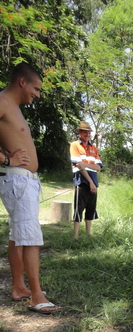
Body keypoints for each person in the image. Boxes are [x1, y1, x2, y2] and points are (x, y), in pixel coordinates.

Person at [0, 62, 62, 314]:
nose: (37, 94)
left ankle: (19, 287)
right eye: (36, 88)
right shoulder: (3, 100)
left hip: (22, 180)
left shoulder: (11, 106)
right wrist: (6, 160)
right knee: (30, 238)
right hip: (16, 179)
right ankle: (37, 296)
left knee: (18, 236)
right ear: (22, 82)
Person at [70, 121, 103, 239]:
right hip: (81, 183)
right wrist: (90, 182)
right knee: (78, 209)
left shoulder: (94, 148)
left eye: (89, 132)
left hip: (94, 183)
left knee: (91, 209)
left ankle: (89, 235)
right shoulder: (74, 145)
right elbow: (79, 166)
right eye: (85, 132)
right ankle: (76, 237)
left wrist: (86, 165)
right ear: (80, 132)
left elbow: (99, 167)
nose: (87, 134)